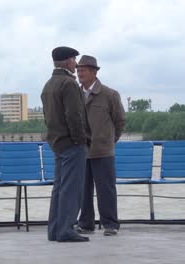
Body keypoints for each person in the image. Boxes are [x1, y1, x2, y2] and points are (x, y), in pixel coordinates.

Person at [41, 46, 91, 242]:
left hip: (57, 143)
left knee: (59, 188)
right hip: (72, 144)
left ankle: (54, 230)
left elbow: (48, 118)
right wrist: (81, 140)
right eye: (74, 60)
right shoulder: (68, 84)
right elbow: (75, 116)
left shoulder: (48, 85)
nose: (76, 64)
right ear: (68, 61)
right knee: (71, 188)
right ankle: (66, 230)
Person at [76, 55, 126, 236]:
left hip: (103, 150)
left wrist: (110, 140)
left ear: (94, 72)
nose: (79, 73)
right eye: (78, 70)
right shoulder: (75, 93)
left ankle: (110, 224)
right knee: (83, 189)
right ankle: (85, 224)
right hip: (81, 151)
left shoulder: (109, 94)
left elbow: (120, 121)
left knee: (106, 189)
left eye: (83, 70)